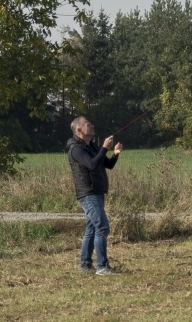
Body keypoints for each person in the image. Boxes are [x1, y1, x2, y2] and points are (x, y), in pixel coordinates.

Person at [66, 116, 123, 276]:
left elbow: (107, 164)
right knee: (102, 227)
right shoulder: (76, 149)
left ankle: (85, 265)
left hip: (97, 191)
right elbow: (91, 164)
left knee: (92, 228)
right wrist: (104, 147)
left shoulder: (91, 146)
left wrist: (116, 153)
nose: (91, 125)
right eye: (87, 124)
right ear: (79, 130)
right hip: (88, 193)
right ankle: (102, 267)